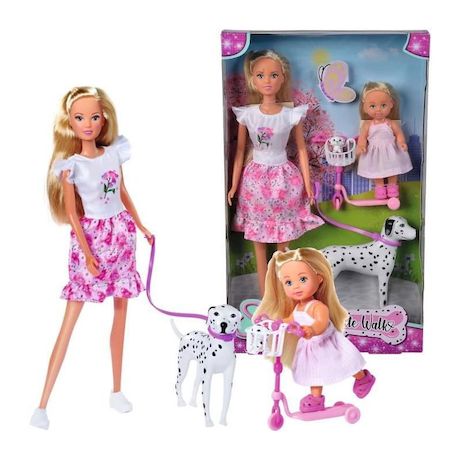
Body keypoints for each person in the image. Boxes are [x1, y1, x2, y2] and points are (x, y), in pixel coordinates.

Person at [30, 87, 153, 429]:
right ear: (69, 122)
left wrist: (141, 226)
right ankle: (42, 404)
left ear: (104, 119)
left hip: (122, 235)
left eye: (94, 117)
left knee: (121, 314)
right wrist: (86, 253)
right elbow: (72, 213)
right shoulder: (71, 167)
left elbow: (123, 192)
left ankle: (117, 390)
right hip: (93, 241)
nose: (88, 123)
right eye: (80, 117)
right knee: (69, 322)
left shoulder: (114, 154)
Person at [227, 50, 323, 295]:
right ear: (253, 80)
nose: (267, 80)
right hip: (255, 181)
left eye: (273, 75)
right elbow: (240, 151)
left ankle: (283, 293)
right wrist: (234, 185)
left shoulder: (290, 115)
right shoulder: (247, 115)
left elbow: (301, 149)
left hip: (284, 180)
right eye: (260, 75)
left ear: (282, 78)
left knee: (283, 245)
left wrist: (308, 185)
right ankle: (264, 295)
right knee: (258, 244)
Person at [253, 247, 375, 412]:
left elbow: (321, 323)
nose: (296, 286)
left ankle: (363, 378)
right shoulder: (298, 308)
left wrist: (311, 330)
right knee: (314, 372)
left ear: (319, 279)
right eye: (289, 282)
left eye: (303, 279)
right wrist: (275, 322)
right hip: (310, 347)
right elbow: (290, 319)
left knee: (345, 364)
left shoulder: (317, 306)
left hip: (327, 343)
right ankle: (316, 399)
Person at [356, 81, 413, 199]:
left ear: (391, 104)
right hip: (374, 152)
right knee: (376, 171)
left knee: (393, 170)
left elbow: (399, 134)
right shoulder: (367, 125)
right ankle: (380, 188)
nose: (378, 110)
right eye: (372, 106)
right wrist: (361, 146)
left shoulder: (391, 123)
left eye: (383, 105)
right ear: (365, 107)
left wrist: (402, 143)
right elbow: (362, 138)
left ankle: (392, 187)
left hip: (391, 151)